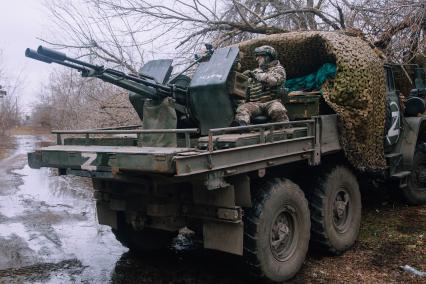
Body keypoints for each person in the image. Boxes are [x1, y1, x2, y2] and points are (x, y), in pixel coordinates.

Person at [233, 45, 289, 126]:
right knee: (242, 109)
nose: (257, 59)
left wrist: (255, 75)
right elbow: (246, 89)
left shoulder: (278, 69)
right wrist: (242, 79)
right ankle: (241, 127)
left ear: (268, 57)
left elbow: (273, 81)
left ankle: (285, 130)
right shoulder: (256, 71)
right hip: (256, 104)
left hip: (272, 102)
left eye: (259, 56)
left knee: (277, 110)